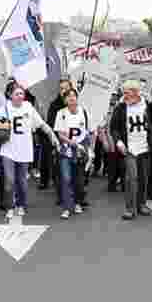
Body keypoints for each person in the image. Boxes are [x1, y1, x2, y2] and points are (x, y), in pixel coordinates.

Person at [0, 84, 55, 219]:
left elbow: (41, 124)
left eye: (22, 93)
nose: (20, 96)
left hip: (24, 149)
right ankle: (10, 206)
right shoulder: (5, 107)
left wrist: (52, 135)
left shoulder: (28, 107)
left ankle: (21, 204)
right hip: (8, 148)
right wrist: (0, 125)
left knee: (22, 182)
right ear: (11, 95)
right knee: (9, 180)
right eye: (17, 93)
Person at [109, 80, 152, 221]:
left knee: (144, 178)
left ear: (136, 92)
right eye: (125, 93)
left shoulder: (147, 104)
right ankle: (129, 208)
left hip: (145, 147)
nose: (126, 95)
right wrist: (118, 142)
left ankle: (141, 204)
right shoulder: (120, 107)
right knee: (131, 178)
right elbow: (113, 127)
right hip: (129, 149)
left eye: (128, 92)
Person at [54, 87, 91, 220]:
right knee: (66, 178)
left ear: (77, 97)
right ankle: (66, 207)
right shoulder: (61, 113)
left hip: (80, 152)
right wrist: (72, 143)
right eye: (68, 96)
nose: (71, 98)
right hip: (66, 152)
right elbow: (60, 134)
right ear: (65, 100)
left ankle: (77, 202)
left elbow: (87, 132)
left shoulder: (83, 112)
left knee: (78, 180)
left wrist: (87, 149)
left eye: (73, 95)